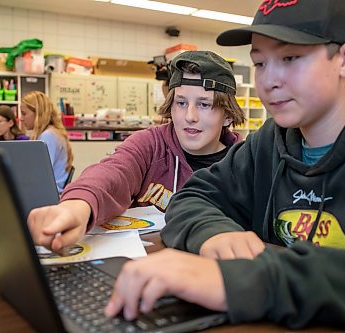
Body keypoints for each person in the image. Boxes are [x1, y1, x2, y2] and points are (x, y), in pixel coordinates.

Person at [104, 0, 345, 330]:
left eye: (290, 58)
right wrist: (213, 233)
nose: (268, 81)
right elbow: (193, 197)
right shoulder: (270, 140)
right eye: (261, 63)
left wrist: (247, 282)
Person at [27, 50, 245, 254]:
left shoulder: (244, 162)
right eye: (181, 102)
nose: (190, 116)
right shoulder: (151, 144)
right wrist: (77, 205)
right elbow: (113, 173)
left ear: (228, 115)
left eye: (204, 104)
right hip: (146, 268)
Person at [20, 91, 73, 193]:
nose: (21, 119)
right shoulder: (53, 133)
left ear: (38, 112)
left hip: (48, 194)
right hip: (49, 192)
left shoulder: (48, 136)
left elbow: (38, 174)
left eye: (24, 113)